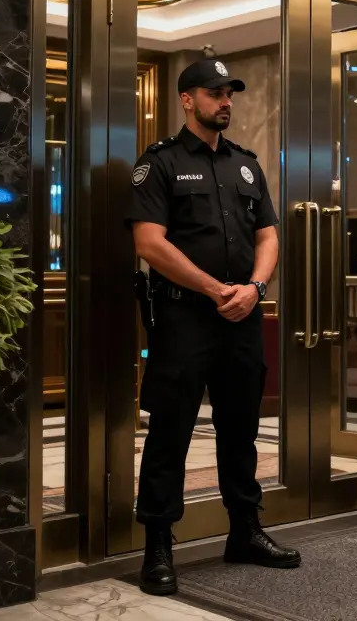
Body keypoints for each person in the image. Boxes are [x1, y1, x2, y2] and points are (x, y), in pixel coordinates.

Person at [126, 58, 301, 596]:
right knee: (170, 433)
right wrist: (213, 289)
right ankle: (158, 544)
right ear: (187, 99)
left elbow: (269, 234)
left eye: (230, 94)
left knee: (240, 429)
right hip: (184, 317)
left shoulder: (247, 166)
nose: (226, 102)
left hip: (242, 316)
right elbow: (149, 243)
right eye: (215, 93)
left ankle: (245, 531)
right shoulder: (159, 163)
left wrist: (254, 289)